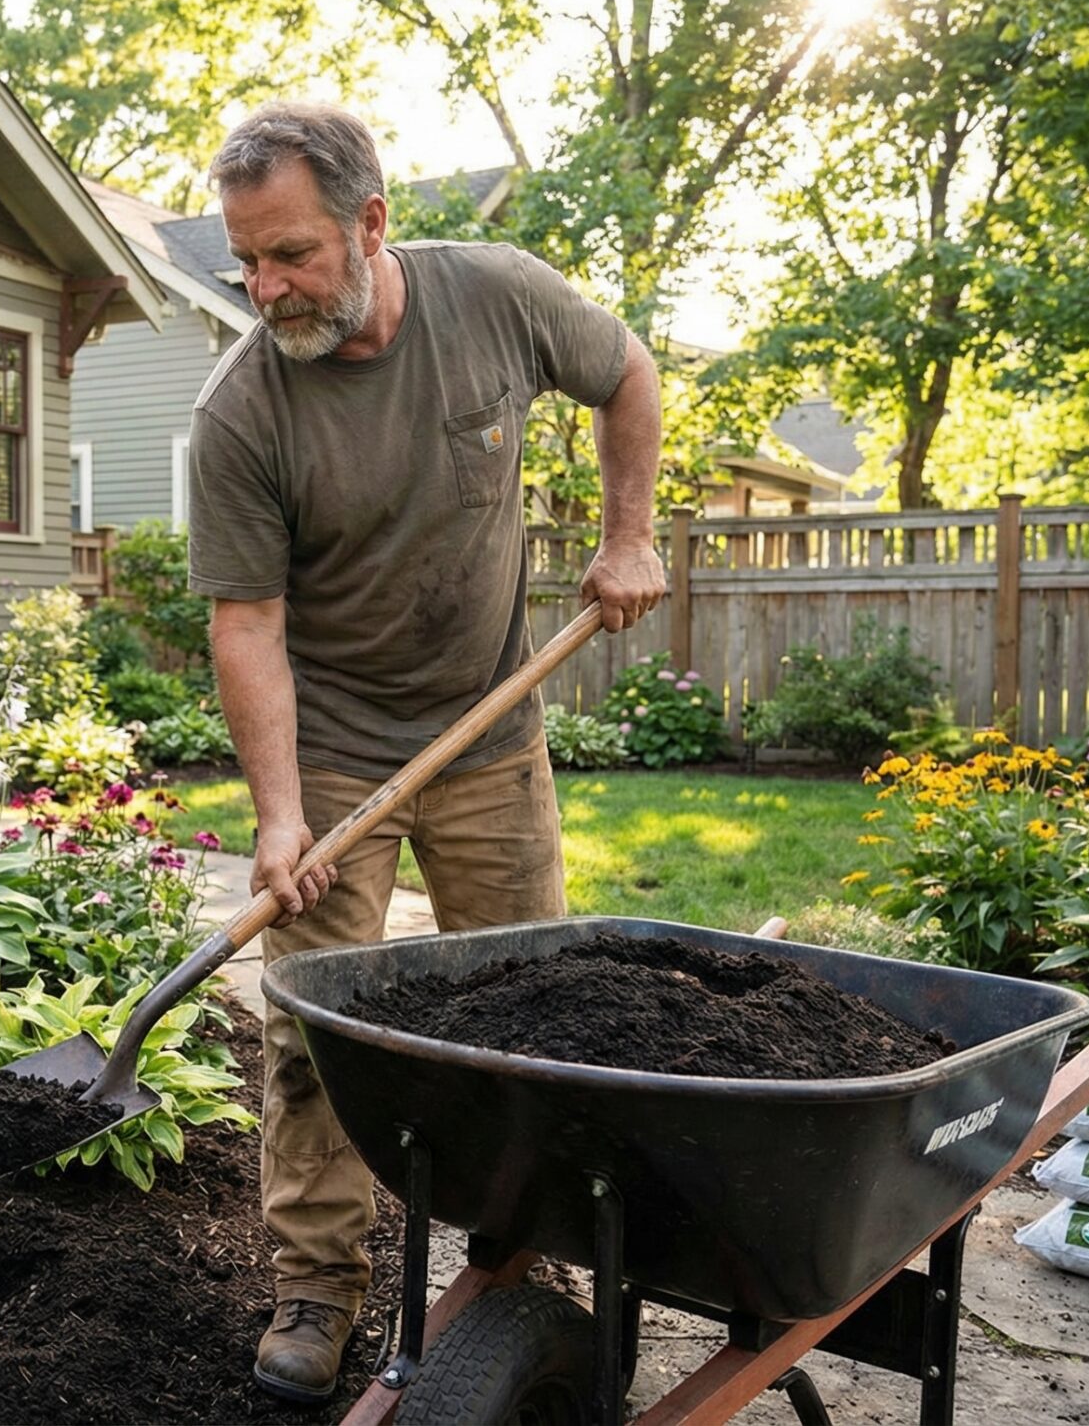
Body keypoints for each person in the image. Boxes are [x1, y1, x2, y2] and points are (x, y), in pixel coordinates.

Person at [185, 102, 668, 1403]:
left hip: (490, 728)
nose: (263, 287)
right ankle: (319, 1285)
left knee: (533, 1009)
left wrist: (629, 533)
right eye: (247, 259)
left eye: (288, 255)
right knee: (313, 1028)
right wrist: (280, 816)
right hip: (334, 747)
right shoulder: (243, 410)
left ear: (373, 224)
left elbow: (628, 372)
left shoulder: (495, 301)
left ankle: (520, 1253)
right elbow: (248, 625)